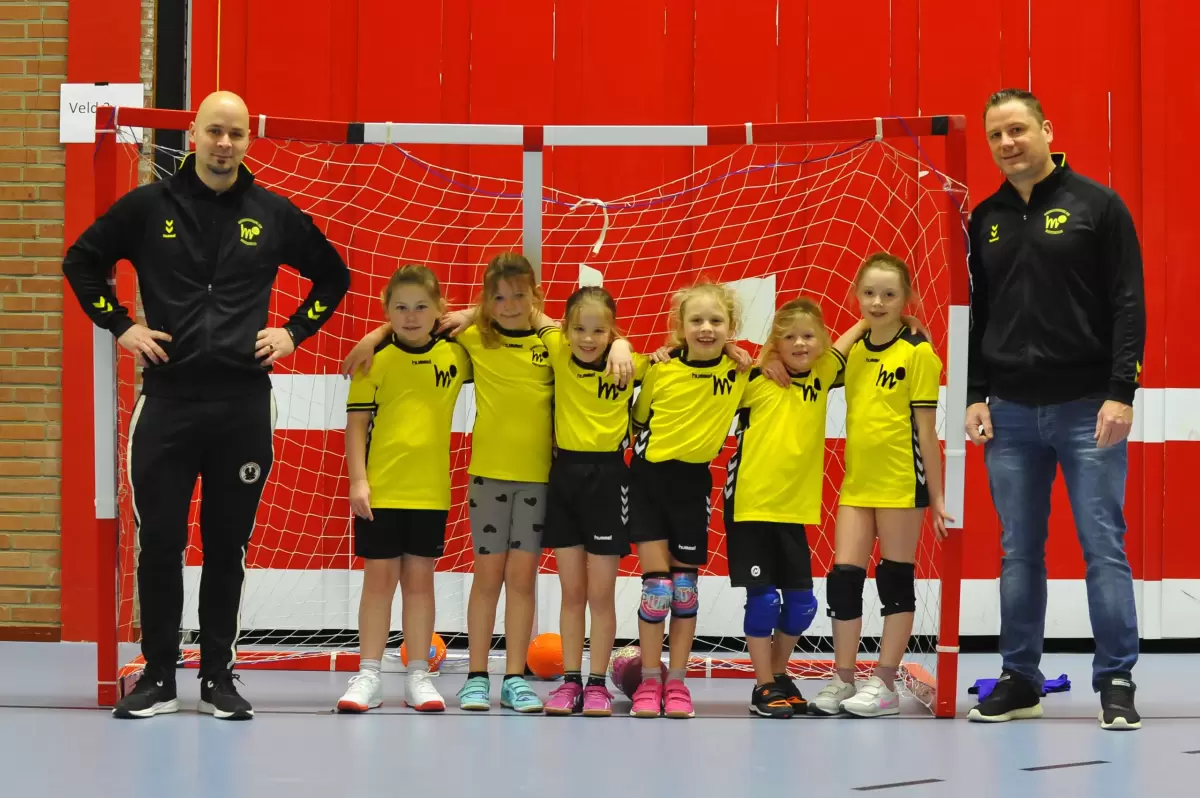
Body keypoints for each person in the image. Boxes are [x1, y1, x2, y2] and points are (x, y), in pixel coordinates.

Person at [62, 90, 351, 720]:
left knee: (227, 547)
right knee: (161, 544)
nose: (224, 144)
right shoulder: (149, 207)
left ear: (248, 141)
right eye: (215, 131)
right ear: (193, 134)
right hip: (167, 405)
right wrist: (121, 325)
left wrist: (294, 332)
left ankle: (219, 677)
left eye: (236, 134)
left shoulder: (272, 213)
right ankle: (158, 677)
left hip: (242, 409)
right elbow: (80, 261)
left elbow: (335, 277)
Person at [341, 252, 633, 713]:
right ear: (485, 301)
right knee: (486, 578)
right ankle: (476, 676)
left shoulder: (555, 343)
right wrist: (373, 335)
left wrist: (620, 343)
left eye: (519, 296)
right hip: (486, 480)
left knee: (522, 581)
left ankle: (513, 678)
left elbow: (590, 331)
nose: (509, 305)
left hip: (539, 482)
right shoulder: (474, 339)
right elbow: (414, 325)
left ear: (535, 296)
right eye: (498, 298)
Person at [963, 89, 1145, 731]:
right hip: (1010, 414)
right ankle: (1020, 679)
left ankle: (1116, 679)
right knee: (1019, 552)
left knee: (1103, 548)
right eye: (995, 135)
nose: (1007, 143)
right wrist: (975, 393)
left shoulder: (1099, 205)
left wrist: (1121, 392)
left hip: (1088, 408)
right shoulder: (984, 218)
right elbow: (980, 313)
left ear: (1046, 129)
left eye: (1017, 129)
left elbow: (1128, 303)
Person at [806, 253, 949, 718]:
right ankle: (844, 678)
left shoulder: (918, 353)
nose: (878, 302)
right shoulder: (855, 350)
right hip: (858, 483)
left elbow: (926, 432)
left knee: (894, 579)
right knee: (843, 580)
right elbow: (821, 366)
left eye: (889, 294)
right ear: (856, 296)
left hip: (901, 482)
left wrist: (938, 497)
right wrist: (860, 326)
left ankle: (885, 683)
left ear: (907, 299)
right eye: (868, 293)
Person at [336, 265, 471, 714]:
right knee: (378, 584)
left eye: (420, 307)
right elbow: (356, 426)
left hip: (429, 493)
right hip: (381, 491)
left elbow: (504, 315)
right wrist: (359, 481)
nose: (411, 316)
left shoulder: (458, 355)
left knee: (419, 585)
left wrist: (465, 316)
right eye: (400, 307)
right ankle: (369, 675)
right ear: (387, 311)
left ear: (439, 310)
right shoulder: (373, 360)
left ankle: (418, 676)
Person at [628, 282, 750, 719]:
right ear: (680, 328)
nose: (706, 328)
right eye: (696, 320)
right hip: (648, 482)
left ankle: (677, 682)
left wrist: (738, 353)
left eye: (716, 321)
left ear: (731, 327)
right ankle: (648, 681)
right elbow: (637, 421)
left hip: (692, 485)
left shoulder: (739, 372)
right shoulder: (660, 370)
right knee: (657, 590)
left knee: (684, 591)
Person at [725, 298, 843, 719]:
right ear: (775, 342)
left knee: (802, 605)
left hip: (794, 511)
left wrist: (897, 318)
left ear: (822, 340)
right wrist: (752, 358)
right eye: (789, 336)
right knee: (763, 603)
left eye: (809, 335)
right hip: (751, 505)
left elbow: (854, 338)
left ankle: (777, 674)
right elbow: (711, 358)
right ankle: (763, 686)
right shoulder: (756, 379)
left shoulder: (825, 372)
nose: (800, 343)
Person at [537, 287, 649, 717]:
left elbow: (677, 356)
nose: (588, 338)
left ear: (612, 331)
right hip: (564, 478)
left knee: (601, 594)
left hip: (608, 480)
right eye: (579, 329)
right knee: (572, 591)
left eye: (600, 331)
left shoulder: (630, 364)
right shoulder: (557, 349)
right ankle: (570, 682)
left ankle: (598, 684)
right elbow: (522, 309)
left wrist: (624, 346)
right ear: (565, 329)